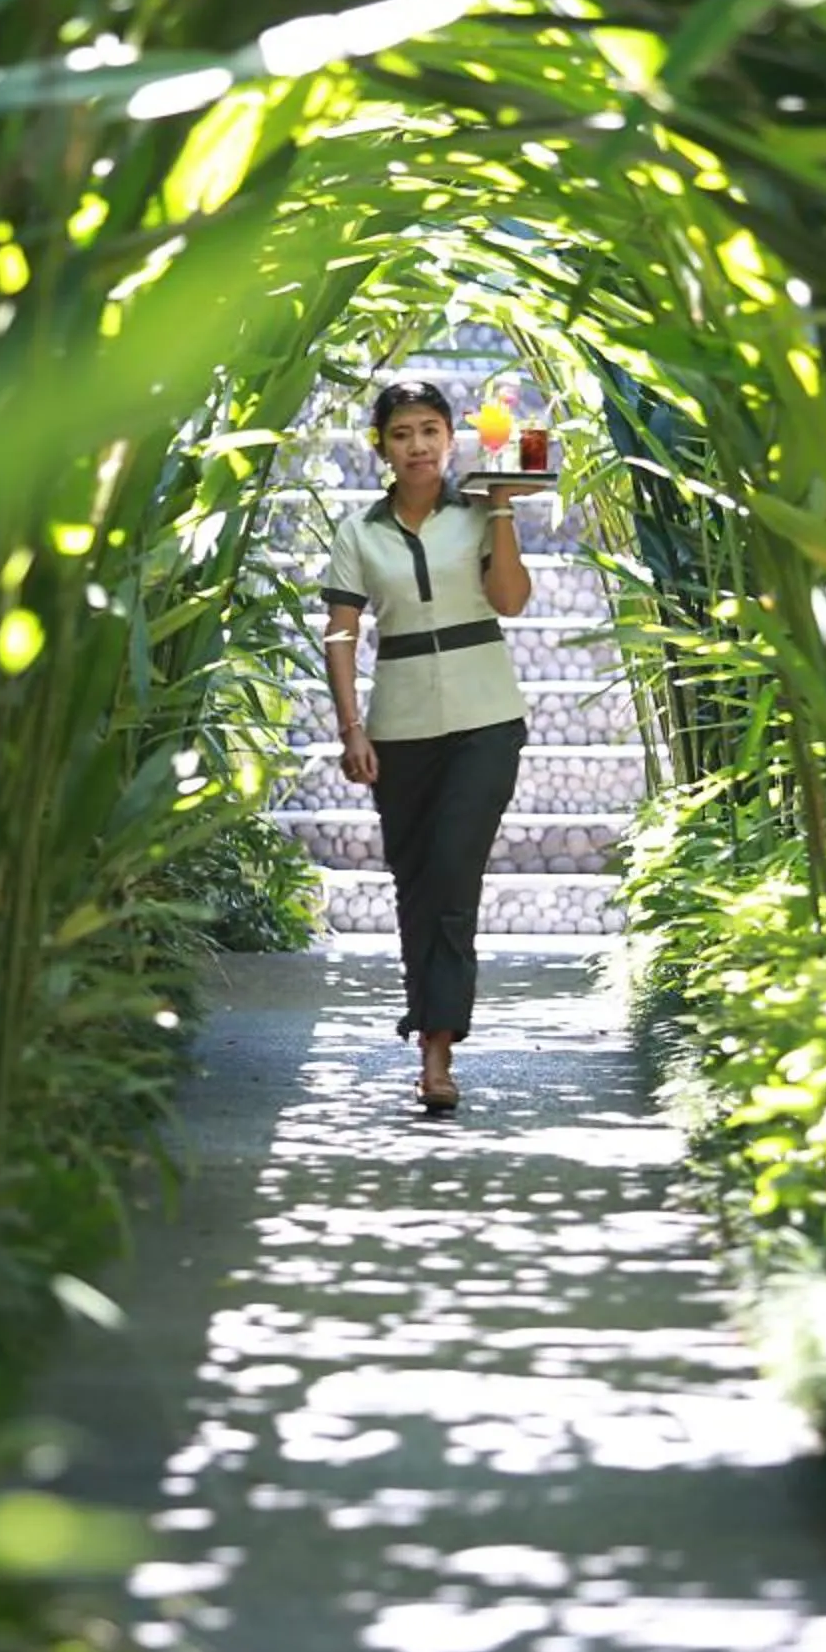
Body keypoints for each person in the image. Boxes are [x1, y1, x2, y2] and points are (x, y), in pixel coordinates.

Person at [315, 379, 534, 1112]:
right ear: (382, 445)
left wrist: (502, 508)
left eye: (431, 431)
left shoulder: (477, 513)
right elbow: (342, 633)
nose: (418, 446)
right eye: (402, 433)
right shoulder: (359, 533)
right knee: (416, 885)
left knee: (450, 867)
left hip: (485, 721)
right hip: (399, 727)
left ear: (450, 439)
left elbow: (509, 600)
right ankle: (429, 1040)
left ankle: (439, 1049)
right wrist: (351, 727)